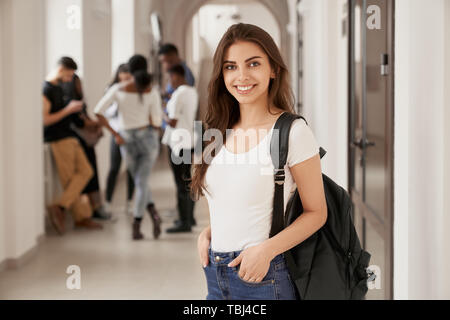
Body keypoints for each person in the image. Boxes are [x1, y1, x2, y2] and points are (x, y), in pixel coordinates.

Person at [191, 23, 328, 300]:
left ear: (273, 69)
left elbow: (316, 213)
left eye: (253, 64)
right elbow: (229, 198)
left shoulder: (292, 131)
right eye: (230, 67)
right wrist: (210, 232)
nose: (241, 76)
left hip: (265, 276)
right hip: (216, 276)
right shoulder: (215, 131)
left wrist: (266, 250)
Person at [94, 55, 163, 240]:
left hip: (125, 139)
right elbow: (157, 121)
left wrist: (115, 133)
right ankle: (149, 219)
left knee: (141, 181)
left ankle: (138, 225)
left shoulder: (117, 89)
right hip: (147, 137)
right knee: (142, 182)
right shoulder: (152, 90)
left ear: (129, 71)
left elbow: (97, 111)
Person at [43, 57, 103, 234]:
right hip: (57, 139)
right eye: (69, 75)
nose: (70, 80)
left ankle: (62, 208)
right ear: (61, 69)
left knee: (86, 172)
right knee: (71, 179)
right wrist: (68, 110)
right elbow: (45, 119)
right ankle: (80, 217)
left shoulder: (58, 88)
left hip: (70, 137)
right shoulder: (46, 89)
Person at [60, 72, 111, 220]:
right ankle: (83, 211)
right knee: (86, 174)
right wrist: (97, 123)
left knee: (89, 174)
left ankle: (89, 210)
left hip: (83, 143)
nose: (80, 86)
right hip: (77, 143)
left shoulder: (78, 102)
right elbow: (80, 122)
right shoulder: (70, 102)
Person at [161, 64, 198, 233]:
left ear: (176, 76)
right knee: (187, 180)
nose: (170, 82)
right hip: (188, 141)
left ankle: (184, 222)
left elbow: (173, 121)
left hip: (178, 144)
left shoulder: (178, 94)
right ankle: (189, 217)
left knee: (180, 182)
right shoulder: (191, 91)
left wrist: (161, 111)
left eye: (170, 78)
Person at [103, 64, 135, 215]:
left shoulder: (133, 90)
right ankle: (108, 202)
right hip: (116, 134)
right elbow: (105, 112)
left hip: (131, 134)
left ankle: (129, 202)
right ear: (119, 74)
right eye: (125, 75)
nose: (127, 78)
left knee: (131, 170)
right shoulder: (112, 89)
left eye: (129, 75)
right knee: (114, 168)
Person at [158, 43, 195, 130]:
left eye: (169, 61)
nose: (165, 65)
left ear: (176, 57)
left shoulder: (184, 75)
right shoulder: (174, 73)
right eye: (163, 62)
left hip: (179, 127)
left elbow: (184, 98)